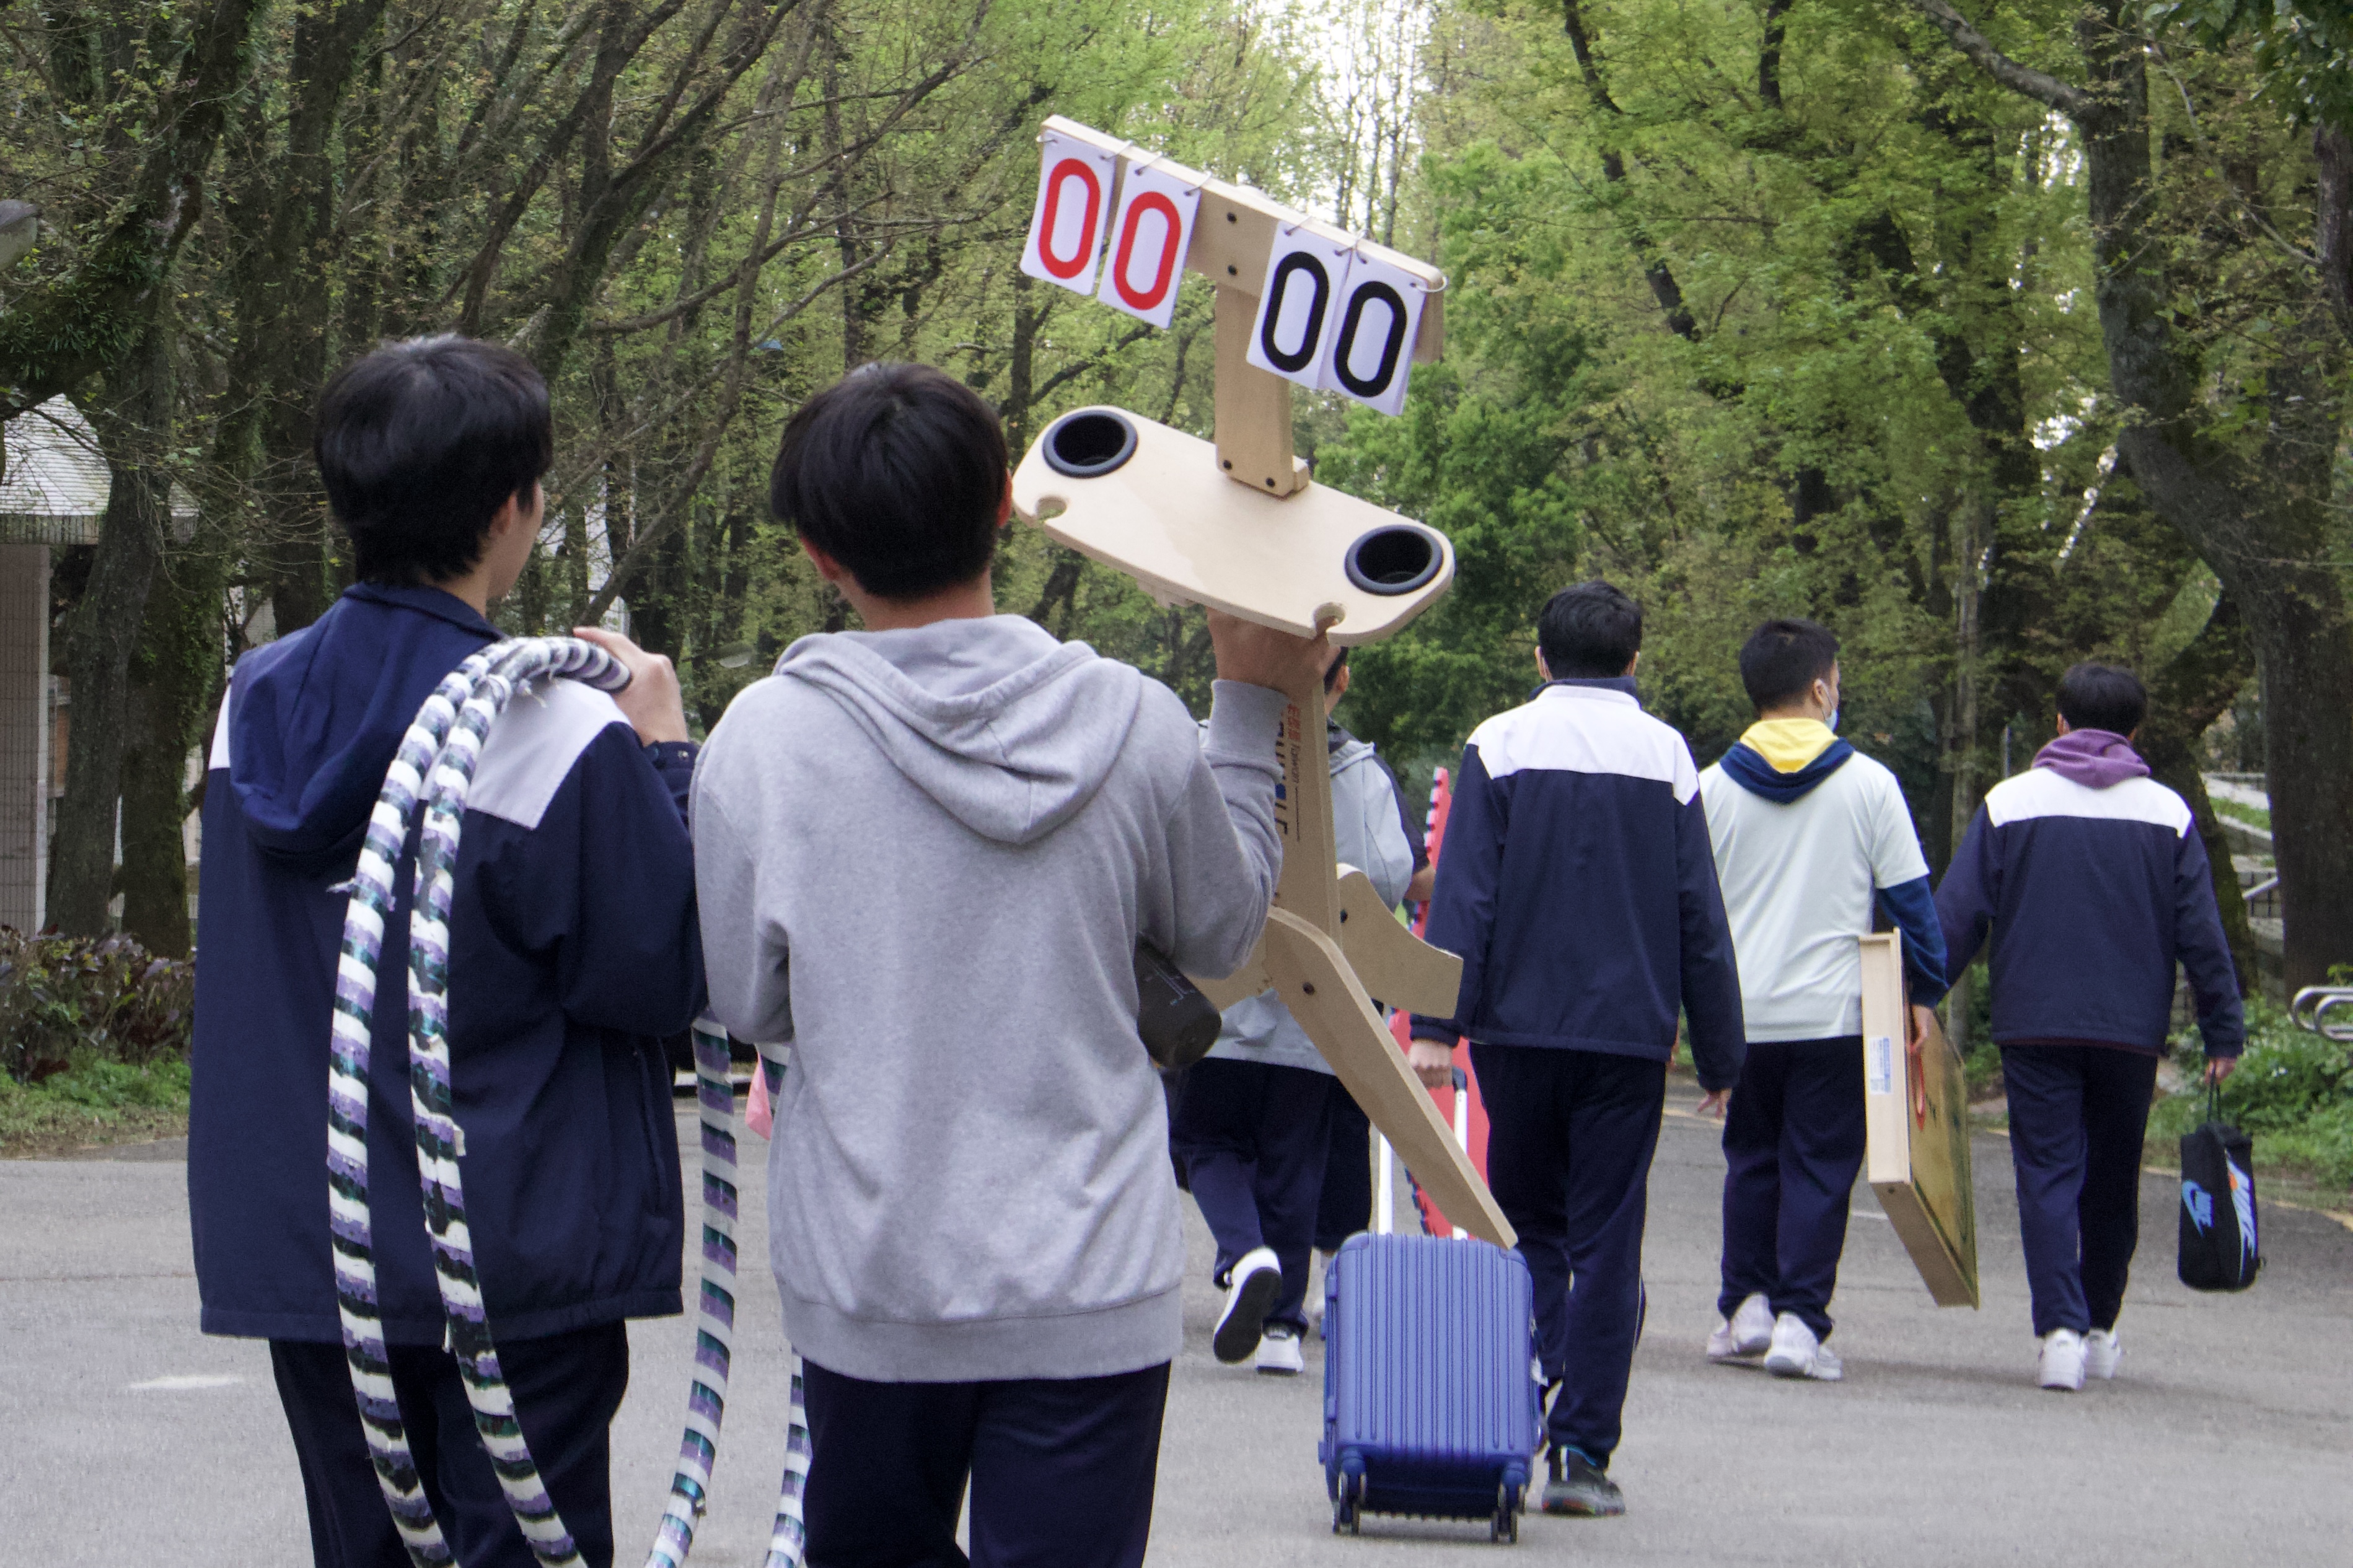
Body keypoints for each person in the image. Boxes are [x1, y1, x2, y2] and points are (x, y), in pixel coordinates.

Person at [690, 362, 1322, 1568]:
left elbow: (747, 1000)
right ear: (1004, 507)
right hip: (1088, 1284)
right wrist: (1243, 703)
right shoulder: (1135, 724)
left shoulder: (762, 741)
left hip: (871, 1282)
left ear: (822, 554)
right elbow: (1229, 933)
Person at [189, 336, 704, 1568]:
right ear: (513, 510)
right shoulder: (558, 727)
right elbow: (664, 969)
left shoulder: (253, 702)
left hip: (321, 1245)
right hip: (512, 1246)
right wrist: (665, 754)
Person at [1407, 579, 1744, 1518]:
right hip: (1629, 1038)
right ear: (1635, 658)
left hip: (1517, 1029)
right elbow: (1698, 918)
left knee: (1527, 1227)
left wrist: (1437, 1025)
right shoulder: (1668, 754)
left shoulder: (1499, 740)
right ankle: (1586, 1449)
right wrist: (1722, 1055)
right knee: (1607, 1238)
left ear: (1539, 656)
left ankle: (1532, 1389)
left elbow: (1464, 893)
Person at [1936, 662, 2242, 1392]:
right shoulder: (2165, 812)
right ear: (2135, 732)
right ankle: (2101, 1325)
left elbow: (1956, 916)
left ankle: (2059, 1334)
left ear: (2057, 722)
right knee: (2111, 1178)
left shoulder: (2010, 803)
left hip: (2032, 1023)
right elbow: (2201, 932)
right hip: (2127, 1029)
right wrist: (2220, 1029)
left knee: (2045, 1172)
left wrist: (1916, 997)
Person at [1697, 619, 1947, 1383]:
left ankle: (1744, 1307)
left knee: (1750, 1158)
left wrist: (1694, 1012)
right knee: (1818, 1166)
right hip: (1837, 1015)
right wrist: (1924, 992)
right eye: (1834, 680)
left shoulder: (1708, 788)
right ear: (1817, 688)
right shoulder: (1869, 784)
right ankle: (1800, 1322)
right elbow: (1911, 904)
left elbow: (1690, 911)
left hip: (1742, 1014)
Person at [1171, 645, 1416, 1375]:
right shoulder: (1359, 773)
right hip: (1314, 1001)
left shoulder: (1200, 750)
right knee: (1294, 1158)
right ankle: (1282, 1329)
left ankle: (1242, 1252)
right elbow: (1387, 872)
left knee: (1206, 1141)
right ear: (1339, 679)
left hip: (1220, 989)